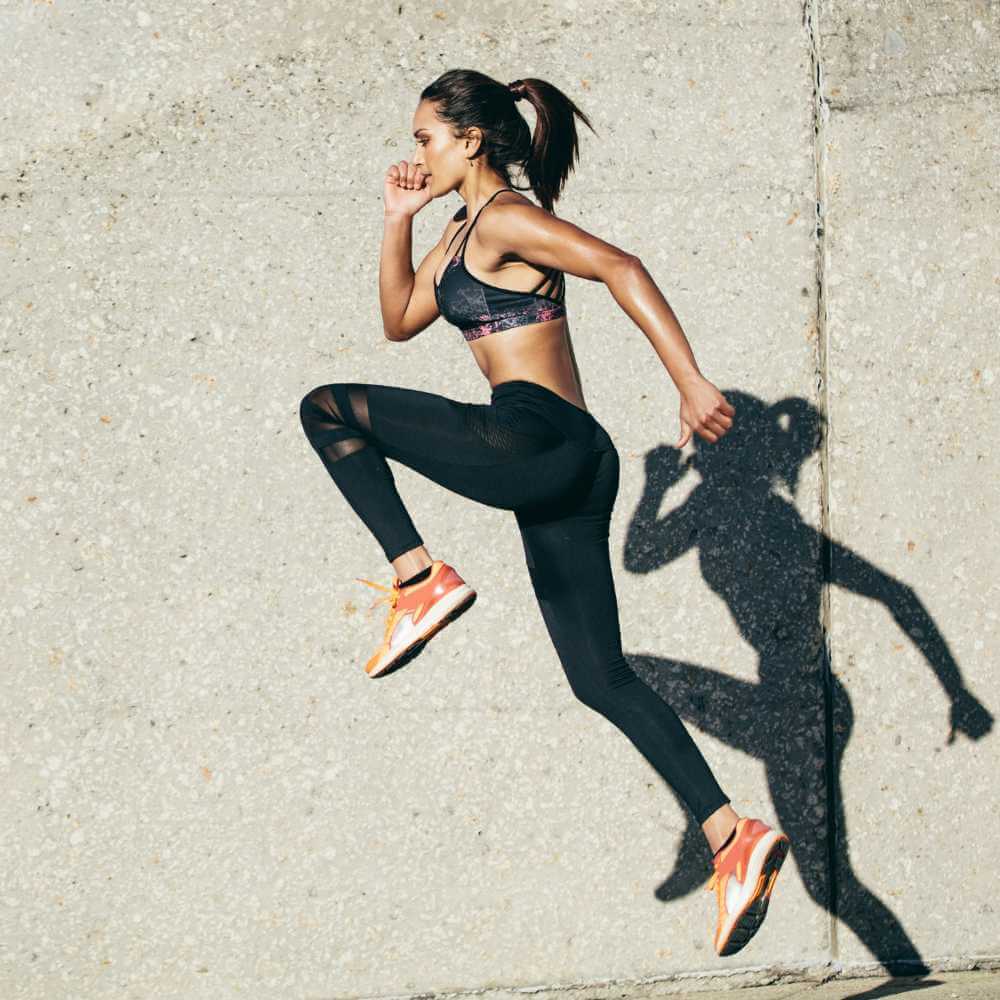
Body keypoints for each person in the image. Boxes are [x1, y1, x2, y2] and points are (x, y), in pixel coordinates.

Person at [299, 69, 789, 956]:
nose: (416, 153)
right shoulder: (455, 236)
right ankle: (731, 835)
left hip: (541, 436)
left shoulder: (507, 219)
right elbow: (399, 320)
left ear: (472, 139)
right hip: (565, 464)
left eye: (426, 139)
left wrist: (689, 381)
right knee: (598, 678)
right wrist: (396, 219)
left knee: (327, 408)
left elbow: (619, 266)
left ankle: (419, 577)